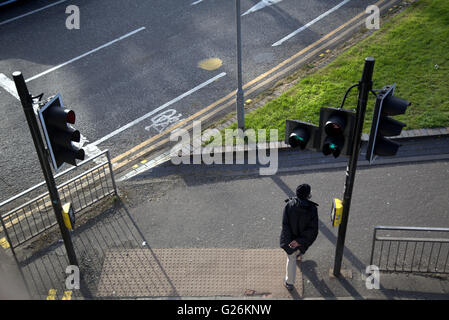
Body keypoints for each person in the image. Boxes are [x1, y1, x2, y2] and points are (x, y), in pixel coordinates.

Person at [280, 184, 319, 291]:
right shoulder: (312, 209)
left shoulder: (289, 205)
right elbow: (313, 230)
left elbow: (285, 225)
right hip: (302, 242)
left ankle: (289, 283)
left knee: (290, 259)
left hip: (289, 241)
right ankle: (299, 252)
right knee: (296, 253)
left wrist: (290, 242)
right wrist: (299, 241)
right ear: (308, 195)